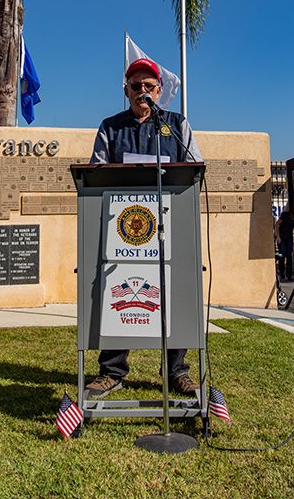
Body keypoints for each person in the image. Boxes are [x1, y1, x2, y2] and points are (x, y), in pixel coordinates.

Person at [86, 57, 203, 399]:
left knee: (176, 291)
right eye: (135, 86)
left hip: (171, 224)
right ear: (126, 91)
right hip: (124, 230)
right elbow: (96, 171)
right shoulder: (111, 127)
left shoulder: (176, 124)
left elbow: (194, 168)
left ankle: (176, 371)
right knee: (118, 289)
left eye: (148, 86)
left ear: (159, 90)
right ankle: (112, 371)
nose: (142, 92)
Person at [274, 208, 294, 281]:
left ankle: (289, 275)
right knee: (282, 255)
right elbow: (277, 225)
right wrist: (278, 237)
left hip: (289, 237)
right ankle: (282, 274)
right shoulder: (285, 214)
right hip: (282, 236)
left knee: (289, 255)